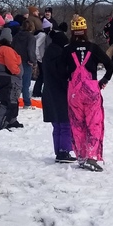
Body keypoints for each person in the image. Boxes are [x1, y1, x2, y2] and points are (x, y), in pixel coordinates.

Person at [66, 14, 113, 171]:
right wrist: (104, 81)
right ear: (85, 30)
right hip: (92, 90)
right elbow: (110, 65)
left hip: (74, 92)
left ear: (73, 31)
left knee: (77, 124)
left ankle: (81, 156)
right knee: (94, 123)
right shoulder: (93, 48)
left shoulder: (67, 49)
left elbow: (59, 69)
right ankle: (91, 156)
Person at [42, 22, 74, 162]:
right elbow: (62, 75)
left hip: (48, 92)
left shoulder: (48, 54)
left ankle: (59, 151)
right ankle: (64, 151)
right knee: (65, 124)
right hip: (60, 93)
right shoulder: (59, 56)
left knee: (57, 125)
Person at [0, 27, 23, 130]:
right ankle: (1, 123)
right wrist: (18, 72)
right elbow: (12, 66)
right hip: (9, 78)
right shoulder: (7, 49)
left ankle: (12, 120)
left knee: (9, 100)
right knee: (8, 101)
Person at [13, 19, 38, 108]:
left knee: (16, 82)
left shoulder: (16, 36)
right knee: (26, 83)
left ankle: (14, 101)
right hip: (26, 62)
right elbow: (31, 50)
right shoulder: (31, 38)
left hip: (16, 61)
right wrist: (33, 61)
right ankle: (27, 102)